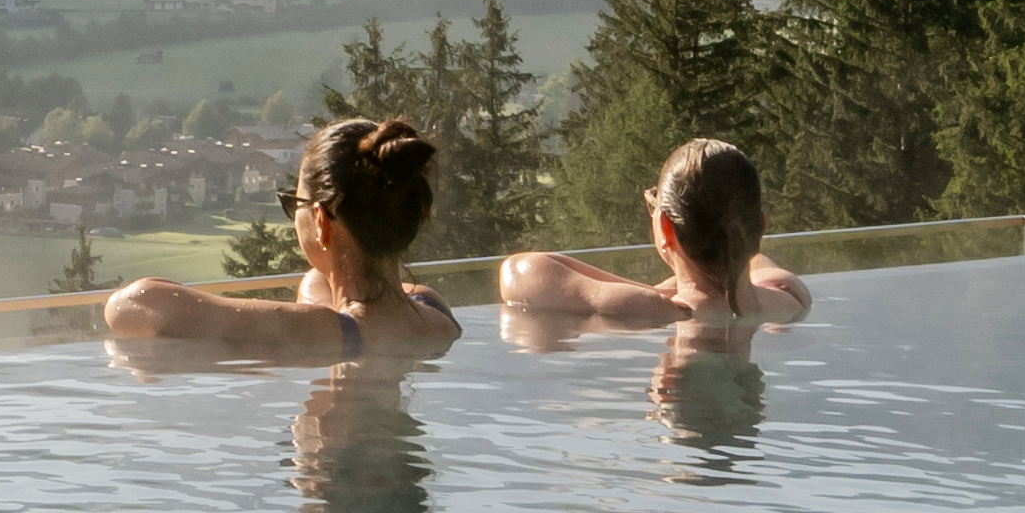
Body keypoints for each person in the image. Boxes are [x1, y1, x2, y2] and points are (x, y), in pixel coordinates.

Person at [102, 110, 458, 366]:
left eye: (294, 205)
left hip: (338, 453)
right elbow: (321, 286)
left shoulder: (321, 332)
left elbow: (130, 306)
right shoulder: (434, 311)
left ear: (321, 222)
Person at [503, 132, 815, 343]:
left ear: (666, 227)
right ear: (760, 228)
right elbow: (755, 263)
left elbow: (518, 271)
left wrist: (654, 295)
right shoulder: (789, 298)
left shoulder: (650, 309)